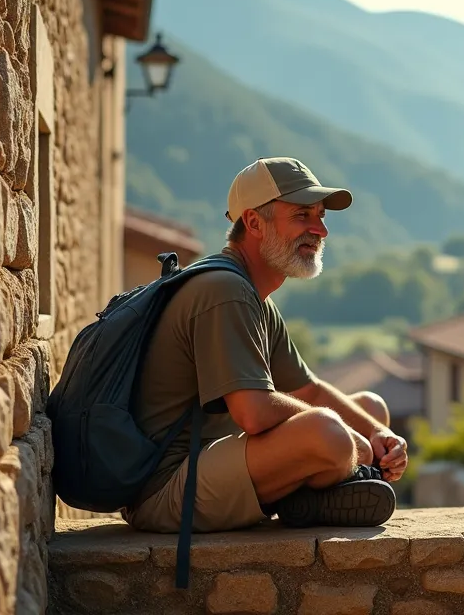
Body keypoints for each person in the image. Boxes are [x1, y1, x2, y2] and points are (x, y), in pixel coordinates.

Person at [122, 157, 409, 534]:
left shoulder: (253, 294)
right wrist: (344, 434)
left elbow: (308, 389)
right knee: (329, 433)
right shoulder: (225, 291)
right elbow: (253, 413)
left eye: (321, 216)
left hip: (213, 461)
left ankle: (309, 495)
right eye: (303, 216)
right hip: (168, 489)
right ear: (254, 222)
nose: (320, 230)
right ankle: (313, 490)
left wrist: (376, 434)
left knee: (371, 408)